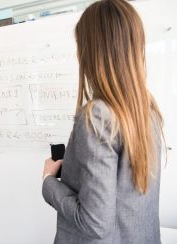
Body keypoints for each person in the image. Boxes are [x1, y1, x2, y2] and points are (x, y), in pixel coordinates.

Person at [42, 0, 164, 243]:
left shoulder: (98, 115)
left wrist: (48, 182)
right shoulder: (148, 112)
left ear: (90, 51)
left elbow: (95, 223)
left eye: (80, 45)